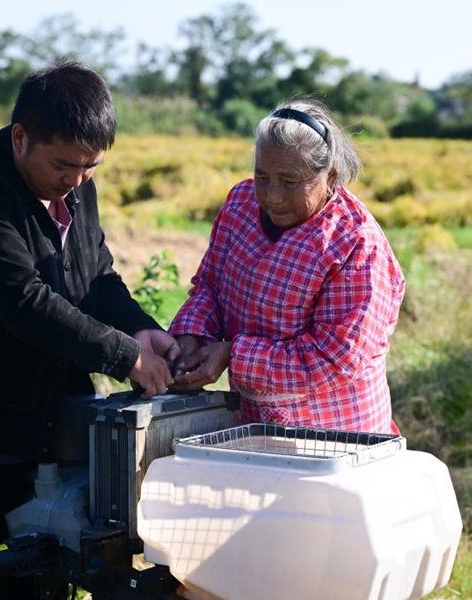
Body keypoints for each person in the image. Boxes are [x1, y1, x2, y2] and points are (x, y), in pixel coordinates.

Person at [0, 61, 178, 599]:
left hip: (54, 430)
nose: (75, 180)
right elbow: (23, 303)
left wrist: (140, 331)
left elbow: (96, 275)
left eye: (91, 167)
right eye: (64, 165)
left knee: (54, 583)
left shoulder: (74, 183)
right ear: (20, 137)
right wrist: (126, 357)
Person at [169, 99, 404, 435]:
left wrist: (232, 355)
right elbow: (211, 286)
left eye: (289, 182)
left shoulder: (355, 242)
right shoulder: (240, 204)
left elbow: (334, 360)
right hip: (251, 423)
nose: (272, 196)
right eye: (262, 176)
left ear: (331, 177)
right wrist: (192, 335)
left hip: (336, 435)